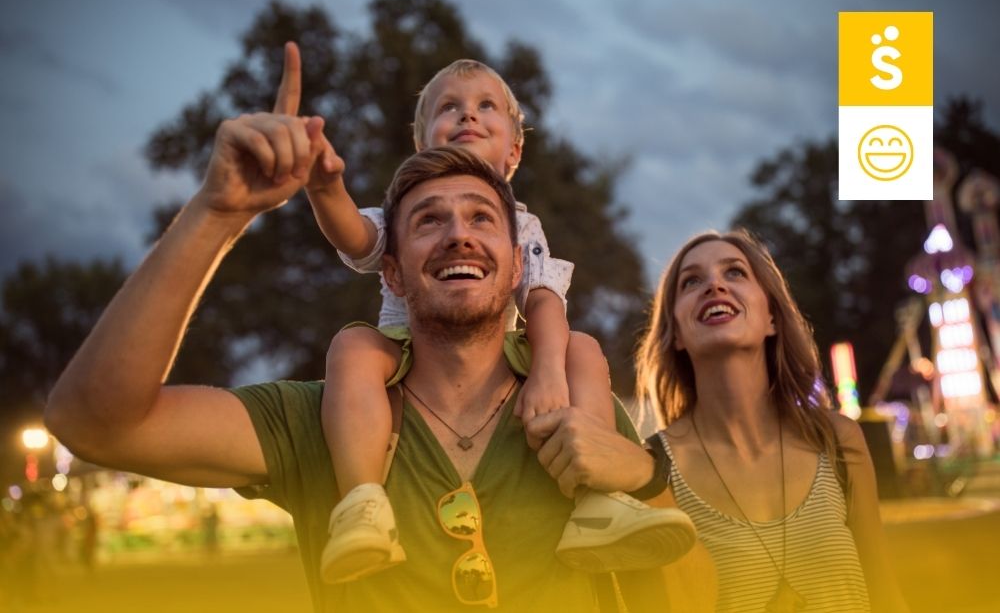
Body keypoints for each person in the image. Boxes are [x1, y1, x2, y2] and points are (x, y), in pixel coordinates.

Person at [44, 43, 676, 612]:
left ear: (517, 262)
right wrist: (219, 211)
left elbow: (688, 573)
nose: (458, 232)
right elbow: (93, 424)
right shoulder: (324, 420)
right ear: (391, 272)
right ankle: (363, 507)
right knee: (352, 343)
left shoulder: (577, 405)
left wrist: (644, 474)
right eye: (429, 220)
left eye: (483, 218)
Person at [304, 56, 693, 583]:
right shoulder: (401, 209)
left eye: (487, 106)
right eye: (449, 107)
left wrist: (549, 372)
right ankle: (363, 505)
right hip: (402, 347)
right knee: (352, 348)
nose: (468, 115)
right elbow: (354, 235)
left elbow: (544, 300)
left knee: (579, 347)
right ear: (424, 143)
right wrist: (325, 188)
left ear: (514, 149)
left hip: (495, 348)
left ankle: (598, 500)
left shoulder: (524, 225)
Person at [635, 229, 910, 613]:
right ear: (676, 333)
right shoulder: (653, 469)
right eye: (692, 281)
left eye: (734, 273)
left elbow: (886, 594)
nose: (714, 285)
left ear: (772, 318)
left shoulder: (836, 439)